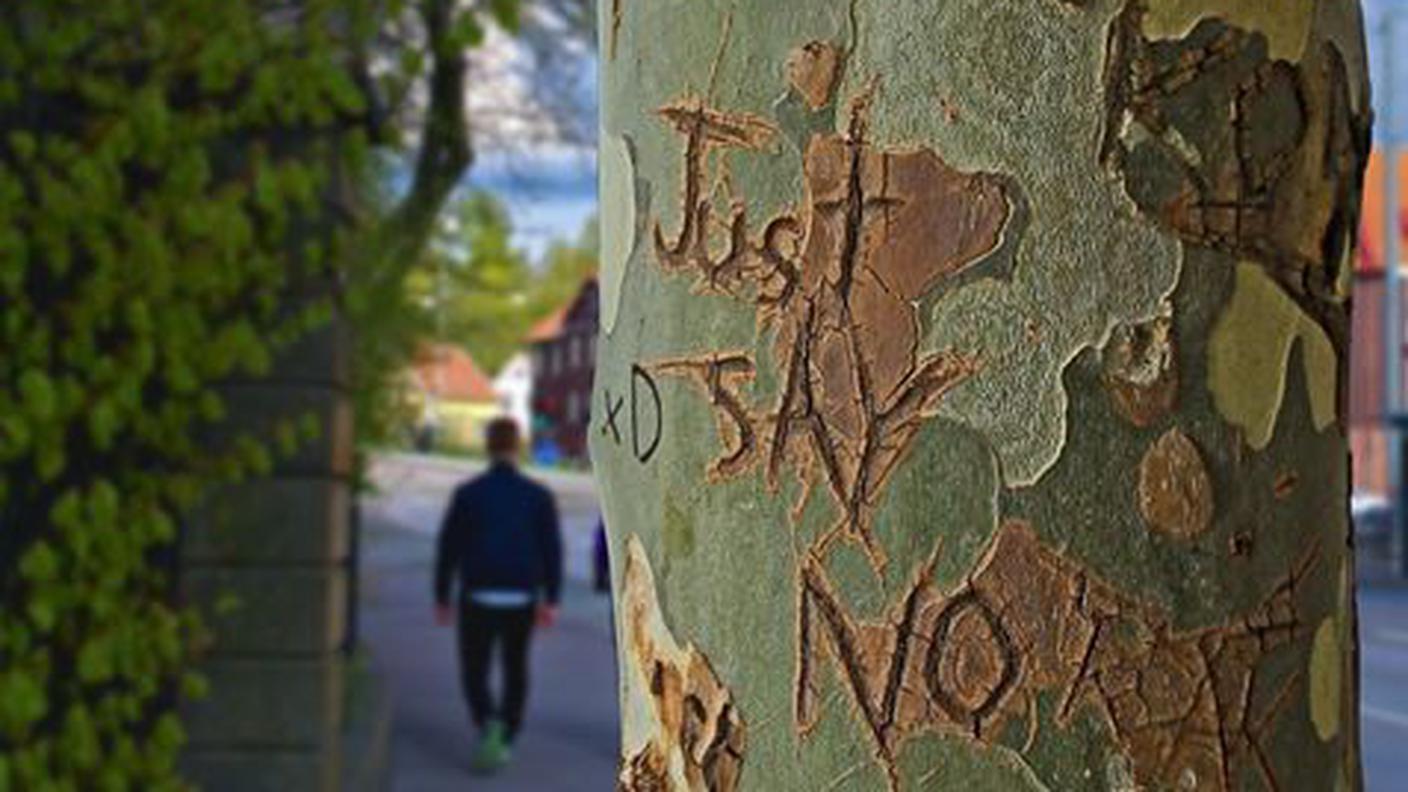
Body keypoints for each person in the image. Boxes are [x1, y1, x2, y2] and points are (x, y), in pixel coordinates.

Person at [433, 417, 562, 773]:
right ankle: (506, 733)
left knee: (474, 668)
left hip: (477, 593)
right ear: (516, 447)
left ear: (489, 447)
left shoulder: (468, 494)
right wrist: (552, 598)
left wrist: (442, 595)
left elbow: (449, 547)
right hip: (521, 595)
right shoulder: (538, 496)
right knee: (515, 667)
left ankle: (487, 721)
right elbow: (551, 550)